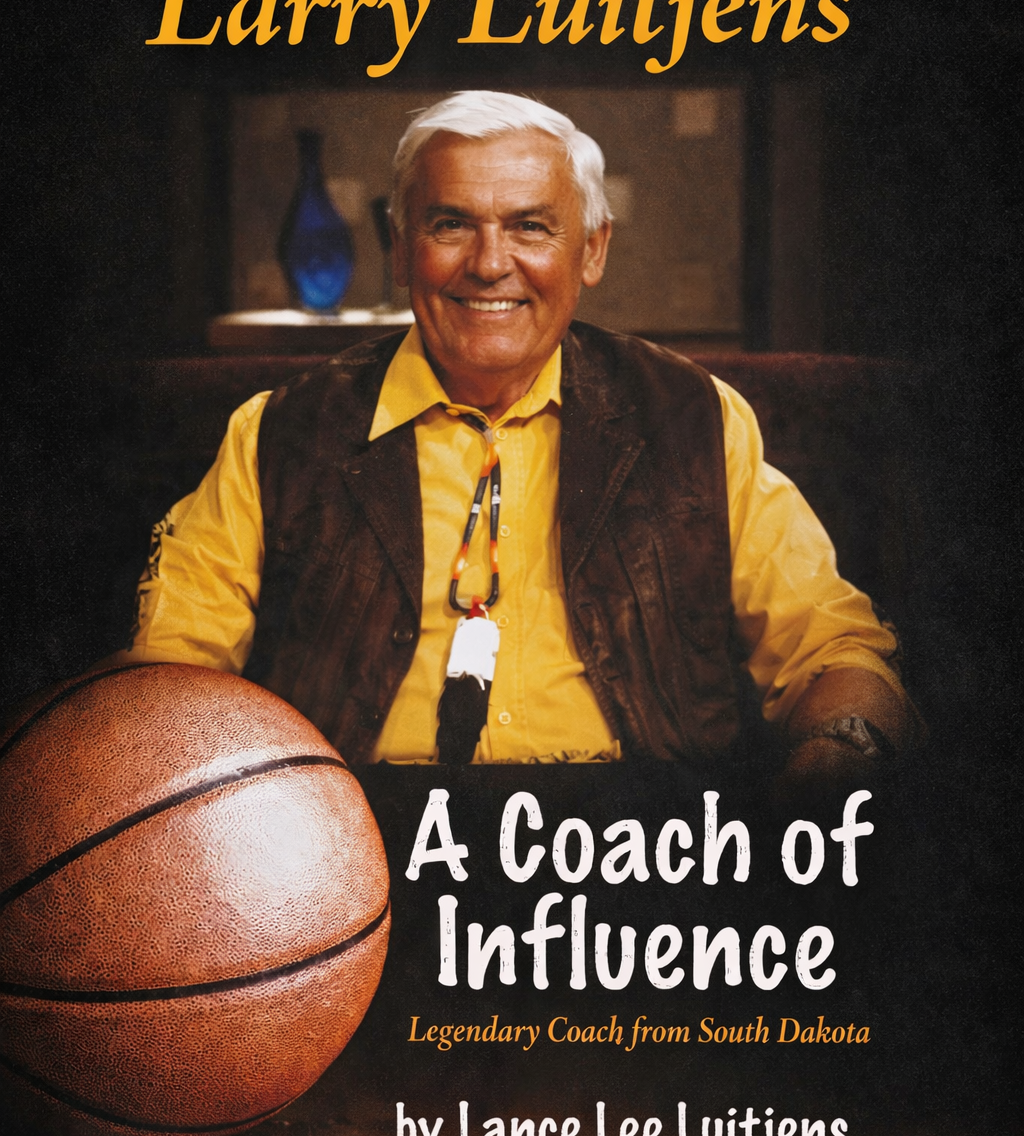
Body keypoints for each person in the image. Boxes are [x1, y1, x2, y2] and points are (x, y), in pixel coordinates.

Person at [114, 91, 920, 796]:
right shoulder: (278, 433)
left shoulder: (696, 419)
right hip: (346, 856)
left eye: (530, 226)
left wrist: (832, 767)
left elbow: (835, 650)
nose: (490, 263)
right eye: (450, 225)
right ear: (400, 248)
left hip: (643, 857)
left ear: (592, 250)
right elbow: (165, 683)